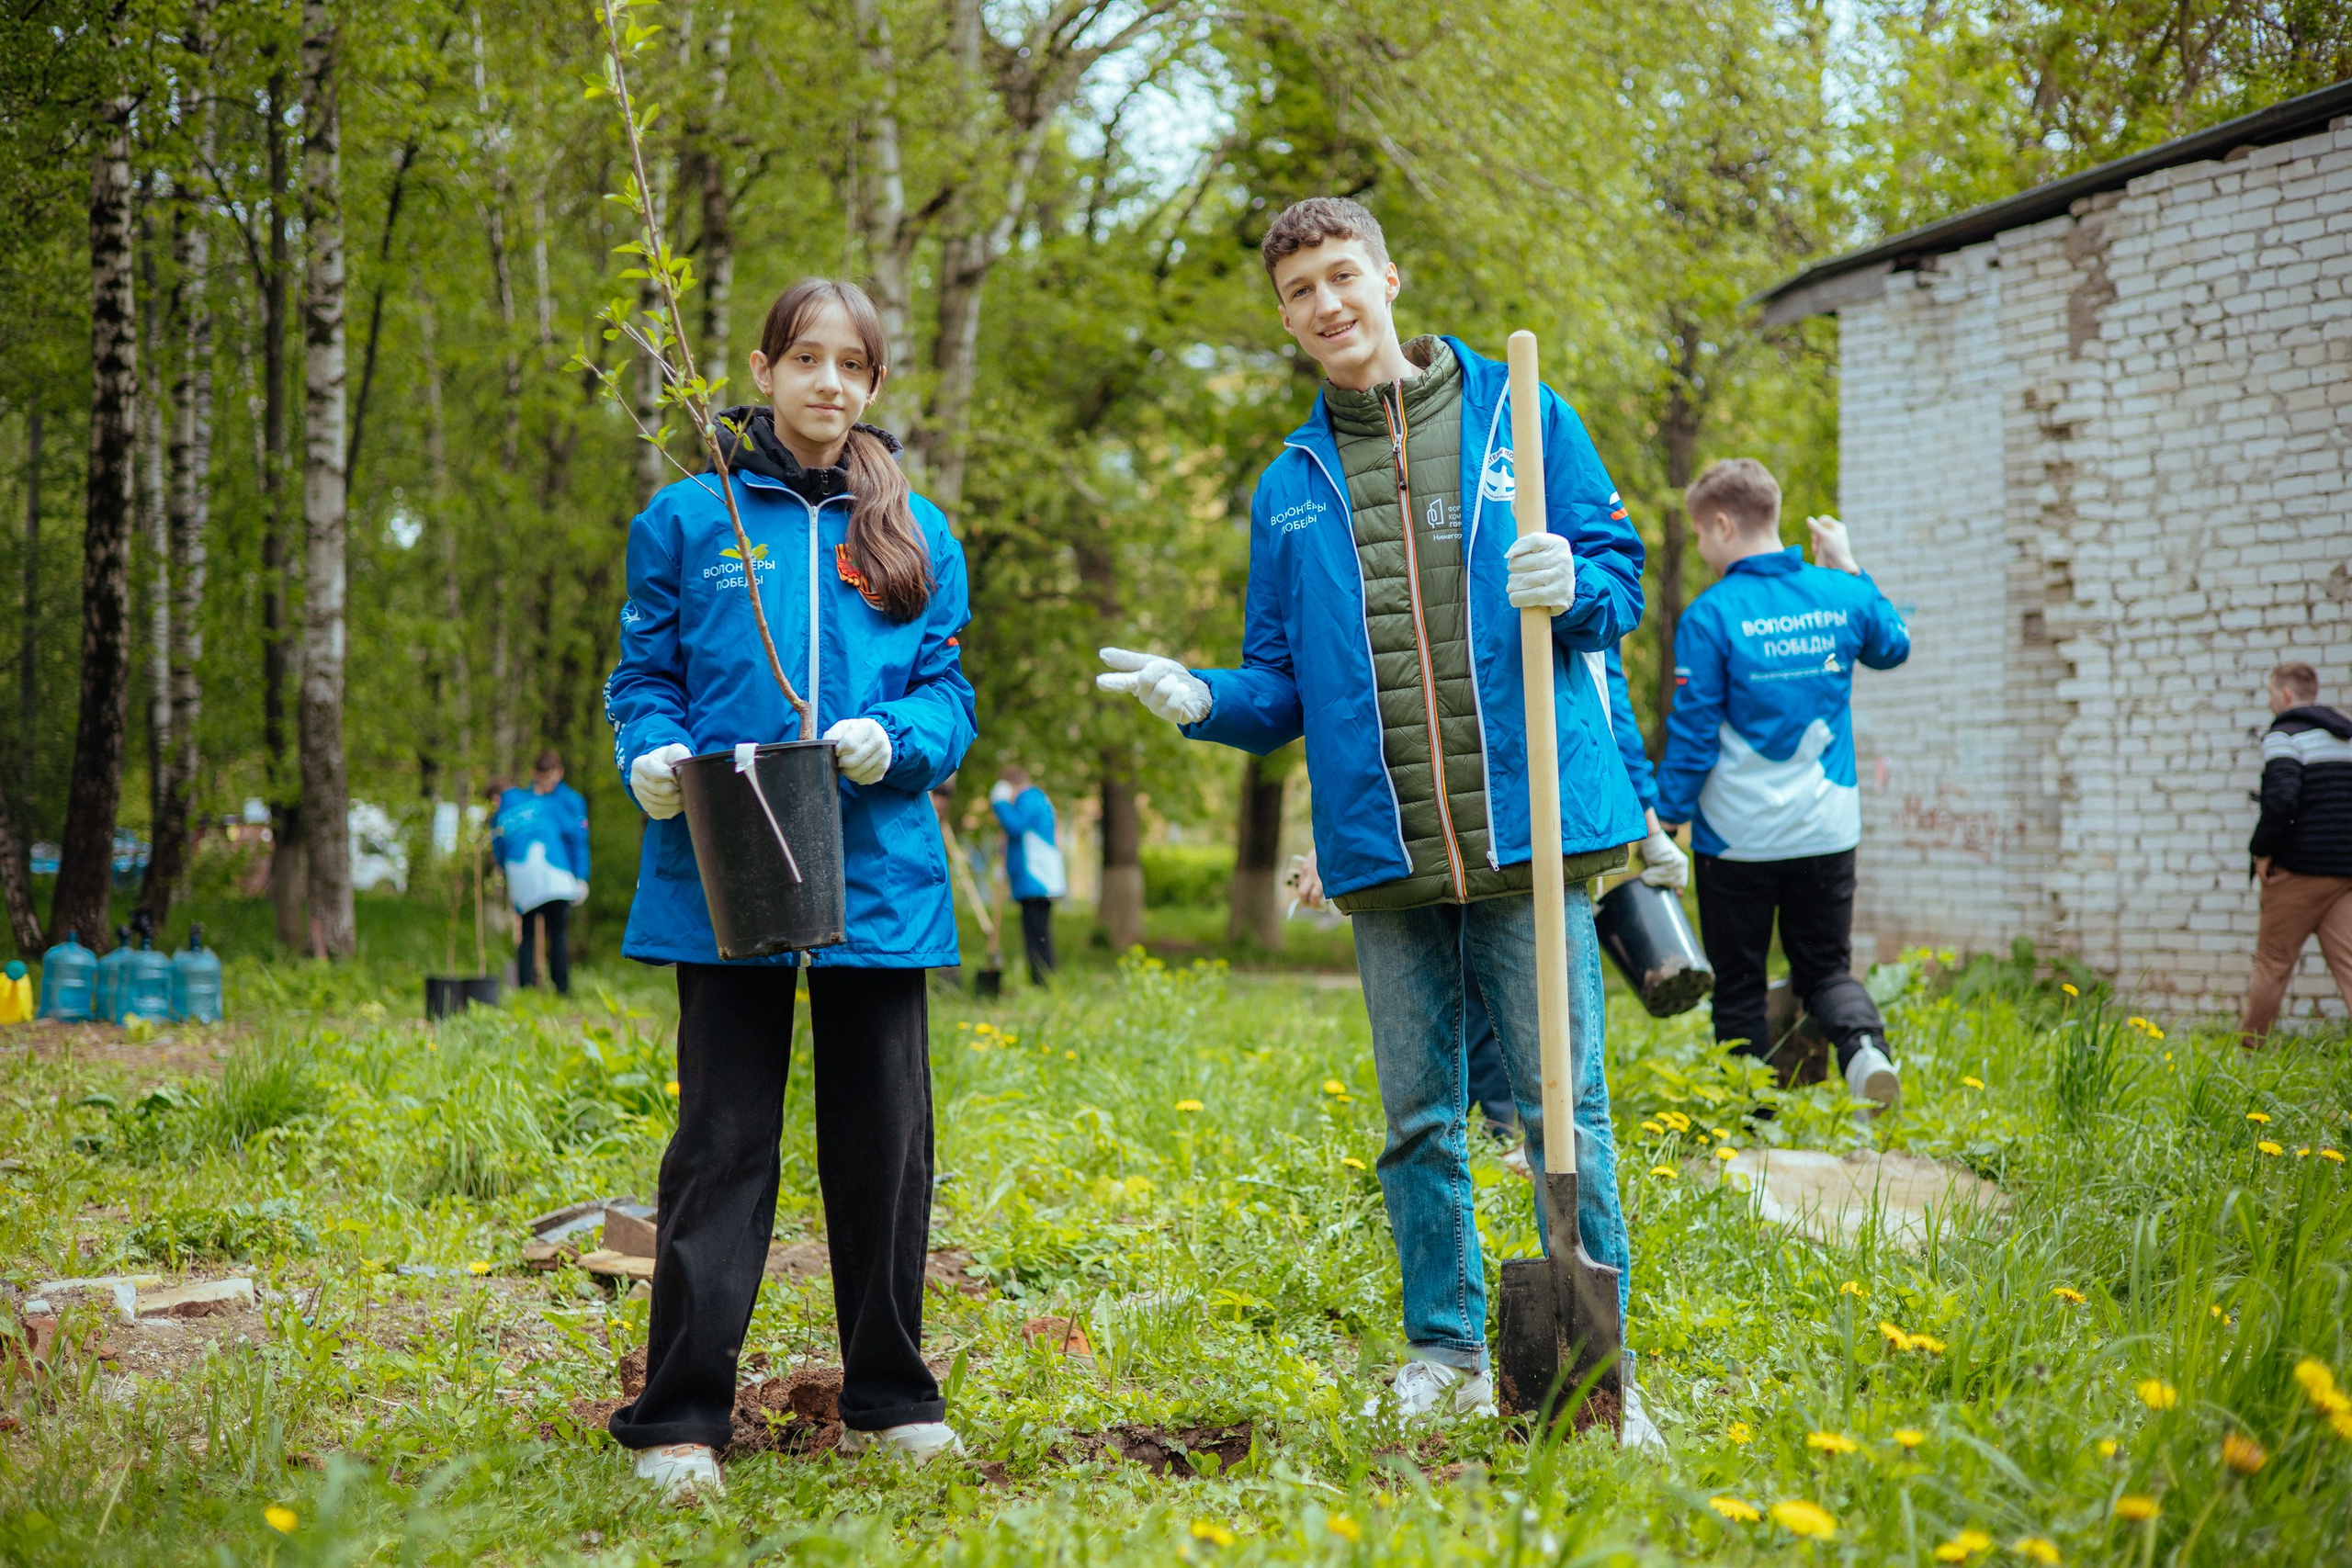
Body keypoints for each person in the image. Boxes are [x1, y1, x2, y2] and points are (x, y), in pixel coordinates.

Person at [1097, 197, 1660, 1447]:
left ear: (1388, 279)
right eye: (1299, 292)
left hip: (1528, 831)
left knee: (1564, 1113)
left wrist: (1576, 583)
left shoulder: (1521, 415)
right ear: (1285, 317)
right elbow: (1279, 684)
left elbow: (1619, 578)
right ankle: (1445, 1351)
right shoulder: (1288, 487)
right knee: (1417, 1123)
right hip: (1385, 846)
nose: (1326, 305)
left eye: (1342, 276)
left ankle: (1601, 1374)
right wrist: (1204, 698)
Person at [603, 278, 977, 1502]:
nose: (828, 382)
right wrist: (652, 749)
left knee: (886, 1142)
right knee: (721, 1139)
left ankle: (892, 1398)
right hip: (729, 857)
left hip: (878, 869)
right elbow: (643, 675)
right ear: (762, 371)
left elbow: (948, 693)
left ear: (873, 384)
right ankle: (679, 1419)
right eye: (805, 358)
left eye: (851, 364)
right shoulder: (688, 517)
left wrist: (898, 739)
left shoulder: (914, 528)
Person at [1652, 458, 1910, 1111]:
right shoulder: (1840, 594)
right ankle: (1865, 1050)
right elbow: (1894, 646)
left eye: (1701, 535)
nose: (1702, 548)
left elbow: (1694, 735)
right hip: (1827, 830)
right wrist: (1849, 565)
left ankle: (1750, 1118)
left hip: (1736, 841)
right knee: (1825, 970)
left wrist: (1666, 819)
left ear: (1722, 524)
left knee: (1739, 982)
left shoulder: (1711, 615)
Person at [2239, 661, 2352, 1043]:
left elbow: (2282, 800)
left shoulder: (2283, 736)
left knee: (2272, 963)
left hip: (2300, 871)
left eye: (2271, 694)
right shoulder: (2346, 736)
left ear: (2285, 694)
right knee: (2349, 965)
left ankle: (2250, 1055)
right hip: (2344, 870)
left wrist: (2261, 852)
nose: (2270, 702)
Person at [492, 750, 590, 995]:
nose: (547, 782)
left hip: (558, 874)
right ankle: (529, 989)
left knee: (557, 934)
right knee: (529, 933)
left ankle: (560, 989)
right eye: (542, 777)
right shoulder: (526, 799)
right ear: (533, 774)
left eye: (551, 776)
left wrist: (580, 877)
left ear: (560, 772)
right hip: (535, 877)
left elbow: (578, 841)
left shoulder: (570, 801)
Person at [989, 764, 1065, 984]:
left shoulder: (1029, 798)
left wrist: (1000, 802)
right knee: (1037, 932)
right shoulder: (1036, 799)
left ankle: (1042, 981)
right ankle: (1041, 979)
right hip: (1037, 878)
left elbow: (1015, 827)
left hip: (1036, 878)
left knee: (1037, 934)